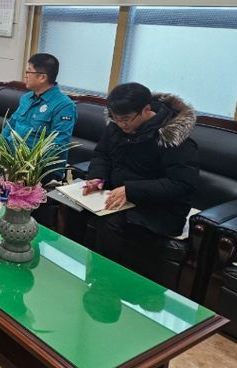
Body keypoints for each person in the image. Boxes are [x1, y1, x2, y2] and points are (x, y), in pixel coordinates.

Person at [79, 82, 199, 262]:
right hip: (119, 196)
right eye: (115, 118)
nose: (121, 124)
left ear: (146, 109)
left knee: (110, 222)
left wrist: (130, 190)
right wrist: (97, 177)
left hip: (159, 209)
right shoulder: (116, 126)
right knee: (74, 207)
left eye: (126, 119)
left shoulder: (171, 137)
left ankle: (104, 276)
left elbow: (181, 184)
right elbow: (102, 155)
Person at [0, 53, 77, 194]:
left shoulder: (64, 106)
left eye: (29, 71)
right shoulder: (26, 98)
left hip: (39, 166)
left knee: (16, 178)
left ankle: (7, 205)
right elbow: (10, 126)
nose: (25, 75)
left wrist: (25, 164)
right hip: (13, 158)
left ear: (42, 77)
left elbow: (58, 145)